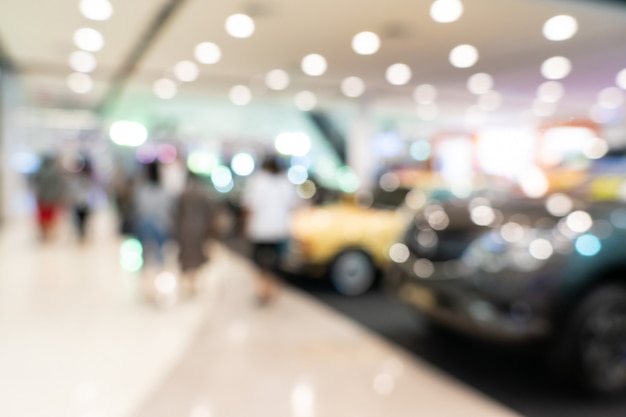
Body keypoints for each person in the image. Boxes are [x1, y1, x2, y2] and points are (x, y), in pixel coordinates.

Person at [241, 156, 299, 305]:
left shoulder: (257, 182)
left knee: (259, 262)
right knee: (277, 263)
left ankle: (263, 288)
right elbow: (294, 205)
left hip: (260, 229)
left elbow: (250, 206)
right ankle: (272, 288)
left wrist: (246, 226)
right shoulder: (286, 183)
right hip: (279, 229)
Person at [173, 172, 216, 296]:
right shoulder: (203, 195)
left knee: (185, 255)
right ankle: (193, 282)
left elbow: (176, 214)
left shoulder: (182, 195)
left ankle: (188, 282)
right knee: (197, 256)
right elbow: (211, 213)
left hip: (184, 228)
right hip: (199, 228)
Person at [132, 161, 173, 268]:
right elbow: (168, 209)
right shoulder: (163, 191)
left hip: (147, 224)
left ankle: (145, 271)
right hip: (160, 225)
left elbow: (140, 209)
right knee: (159, 253)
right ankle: (159, 269)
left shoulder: (142, 191)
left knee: (145, 252)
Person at [31, 154, 66, 242]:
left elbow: (59, 185)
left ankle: (47, 233)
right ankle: (47, 233)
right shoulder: (50, 171)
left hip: (47, 197)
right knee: (46, 216)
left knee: (48, 216)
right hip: (47, 197)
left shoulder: (42, 171)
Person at [68, 158, 98, 243]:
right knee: (80, 221)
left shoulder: (89, 179)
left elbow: (91, 191)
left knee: (83, 221)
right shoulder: (79, 178)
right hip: (80, 202)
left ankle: (83, 235)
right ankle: (81, 235)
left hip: (85, 203)